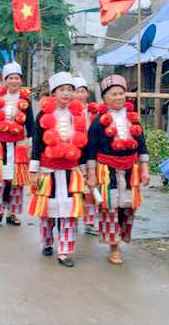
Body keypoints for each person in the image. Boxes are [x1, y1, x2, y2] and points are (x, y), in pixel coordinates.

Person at [86, 74, 150, 265]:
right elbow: (90, 149)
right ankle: (114, 247)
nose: (118, 97)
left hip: (131, 169)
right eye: (114, 94)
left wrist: (145, 169)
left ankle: (121, 238)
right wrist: (91, 175)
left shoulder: (133, 120)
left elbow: (142, 146)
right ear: (105, 98)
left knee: (128, 208)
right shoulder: (98, 121)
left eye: (121, 93)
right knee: (110, 209)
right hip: (107, 170)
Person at [28, 72, 88, 268]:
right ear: (53, 92)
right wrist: (34, 170)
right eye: (62, 90)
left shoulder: (78, 115)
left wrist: (86, 170)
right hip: (48, 170)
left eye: (70, 90)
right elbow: (37, 143)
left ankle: (64, 251)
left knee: (70, 211)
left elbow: (84, 145)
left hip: (71, 170)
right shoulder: (43, 116)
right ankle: (47, 242)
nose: (66, 94)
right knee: (47, 211)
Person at [0, 61, 35, 226]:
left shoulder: (25, 101)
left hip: (18, 144)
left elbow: (30, 124)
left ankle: (12, 213)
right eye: (11, 78)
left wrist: (32, 144)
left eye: (17, 78)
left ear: (21, 80)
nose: (14, 81)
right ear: (5, 80)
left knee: (16, 181)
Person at [72, 76, 98, 236]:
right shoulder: (68, 112)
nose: (80, 95)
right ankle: (73, 218)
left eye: (83, 91)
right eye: (77, 92)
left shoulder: (93, 112)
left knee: (90, 190)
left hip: (90, 155)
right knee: (74, 189)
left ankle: (89, 222)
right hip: (74, 155)